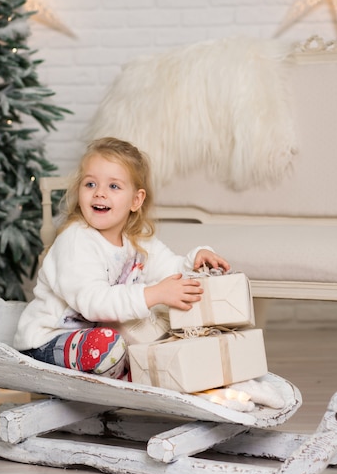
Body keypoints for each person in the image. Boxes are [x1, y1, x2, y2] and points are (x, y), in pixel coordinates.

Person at [14, 137, 230, 379]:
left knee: (155, 336)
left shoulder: (137, 241)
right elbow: (94, 302)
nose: (100, 194)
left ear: (136, 200)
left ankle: (151, 372)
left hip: (94, 341)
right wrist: (153, 294)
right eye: (90, 184)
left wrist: (195, 259)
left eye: (113, 187)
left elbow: (171, 270)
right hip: (48, 341)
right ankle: (138, 377)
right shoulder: (76, 240)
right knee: (109, 345)